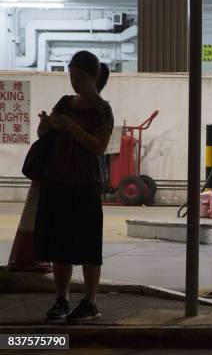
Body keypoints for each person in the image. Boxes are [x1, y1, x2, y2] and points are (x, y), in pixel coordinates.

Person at [34, 51, 113, 322]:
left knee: (89, 248)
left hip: (85, 185)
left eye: (80, 77)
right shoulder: (65, 103)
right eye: (71, 76)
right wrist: (46, 126)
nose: (75, 82)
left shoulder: (102, 110)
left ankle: (90, 302)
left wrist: (73, 129)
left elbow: (99, 147)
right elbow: (44, 134)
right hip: (57, 183)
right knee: (59, 247)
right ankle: (62, 299)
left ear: (94, 77)